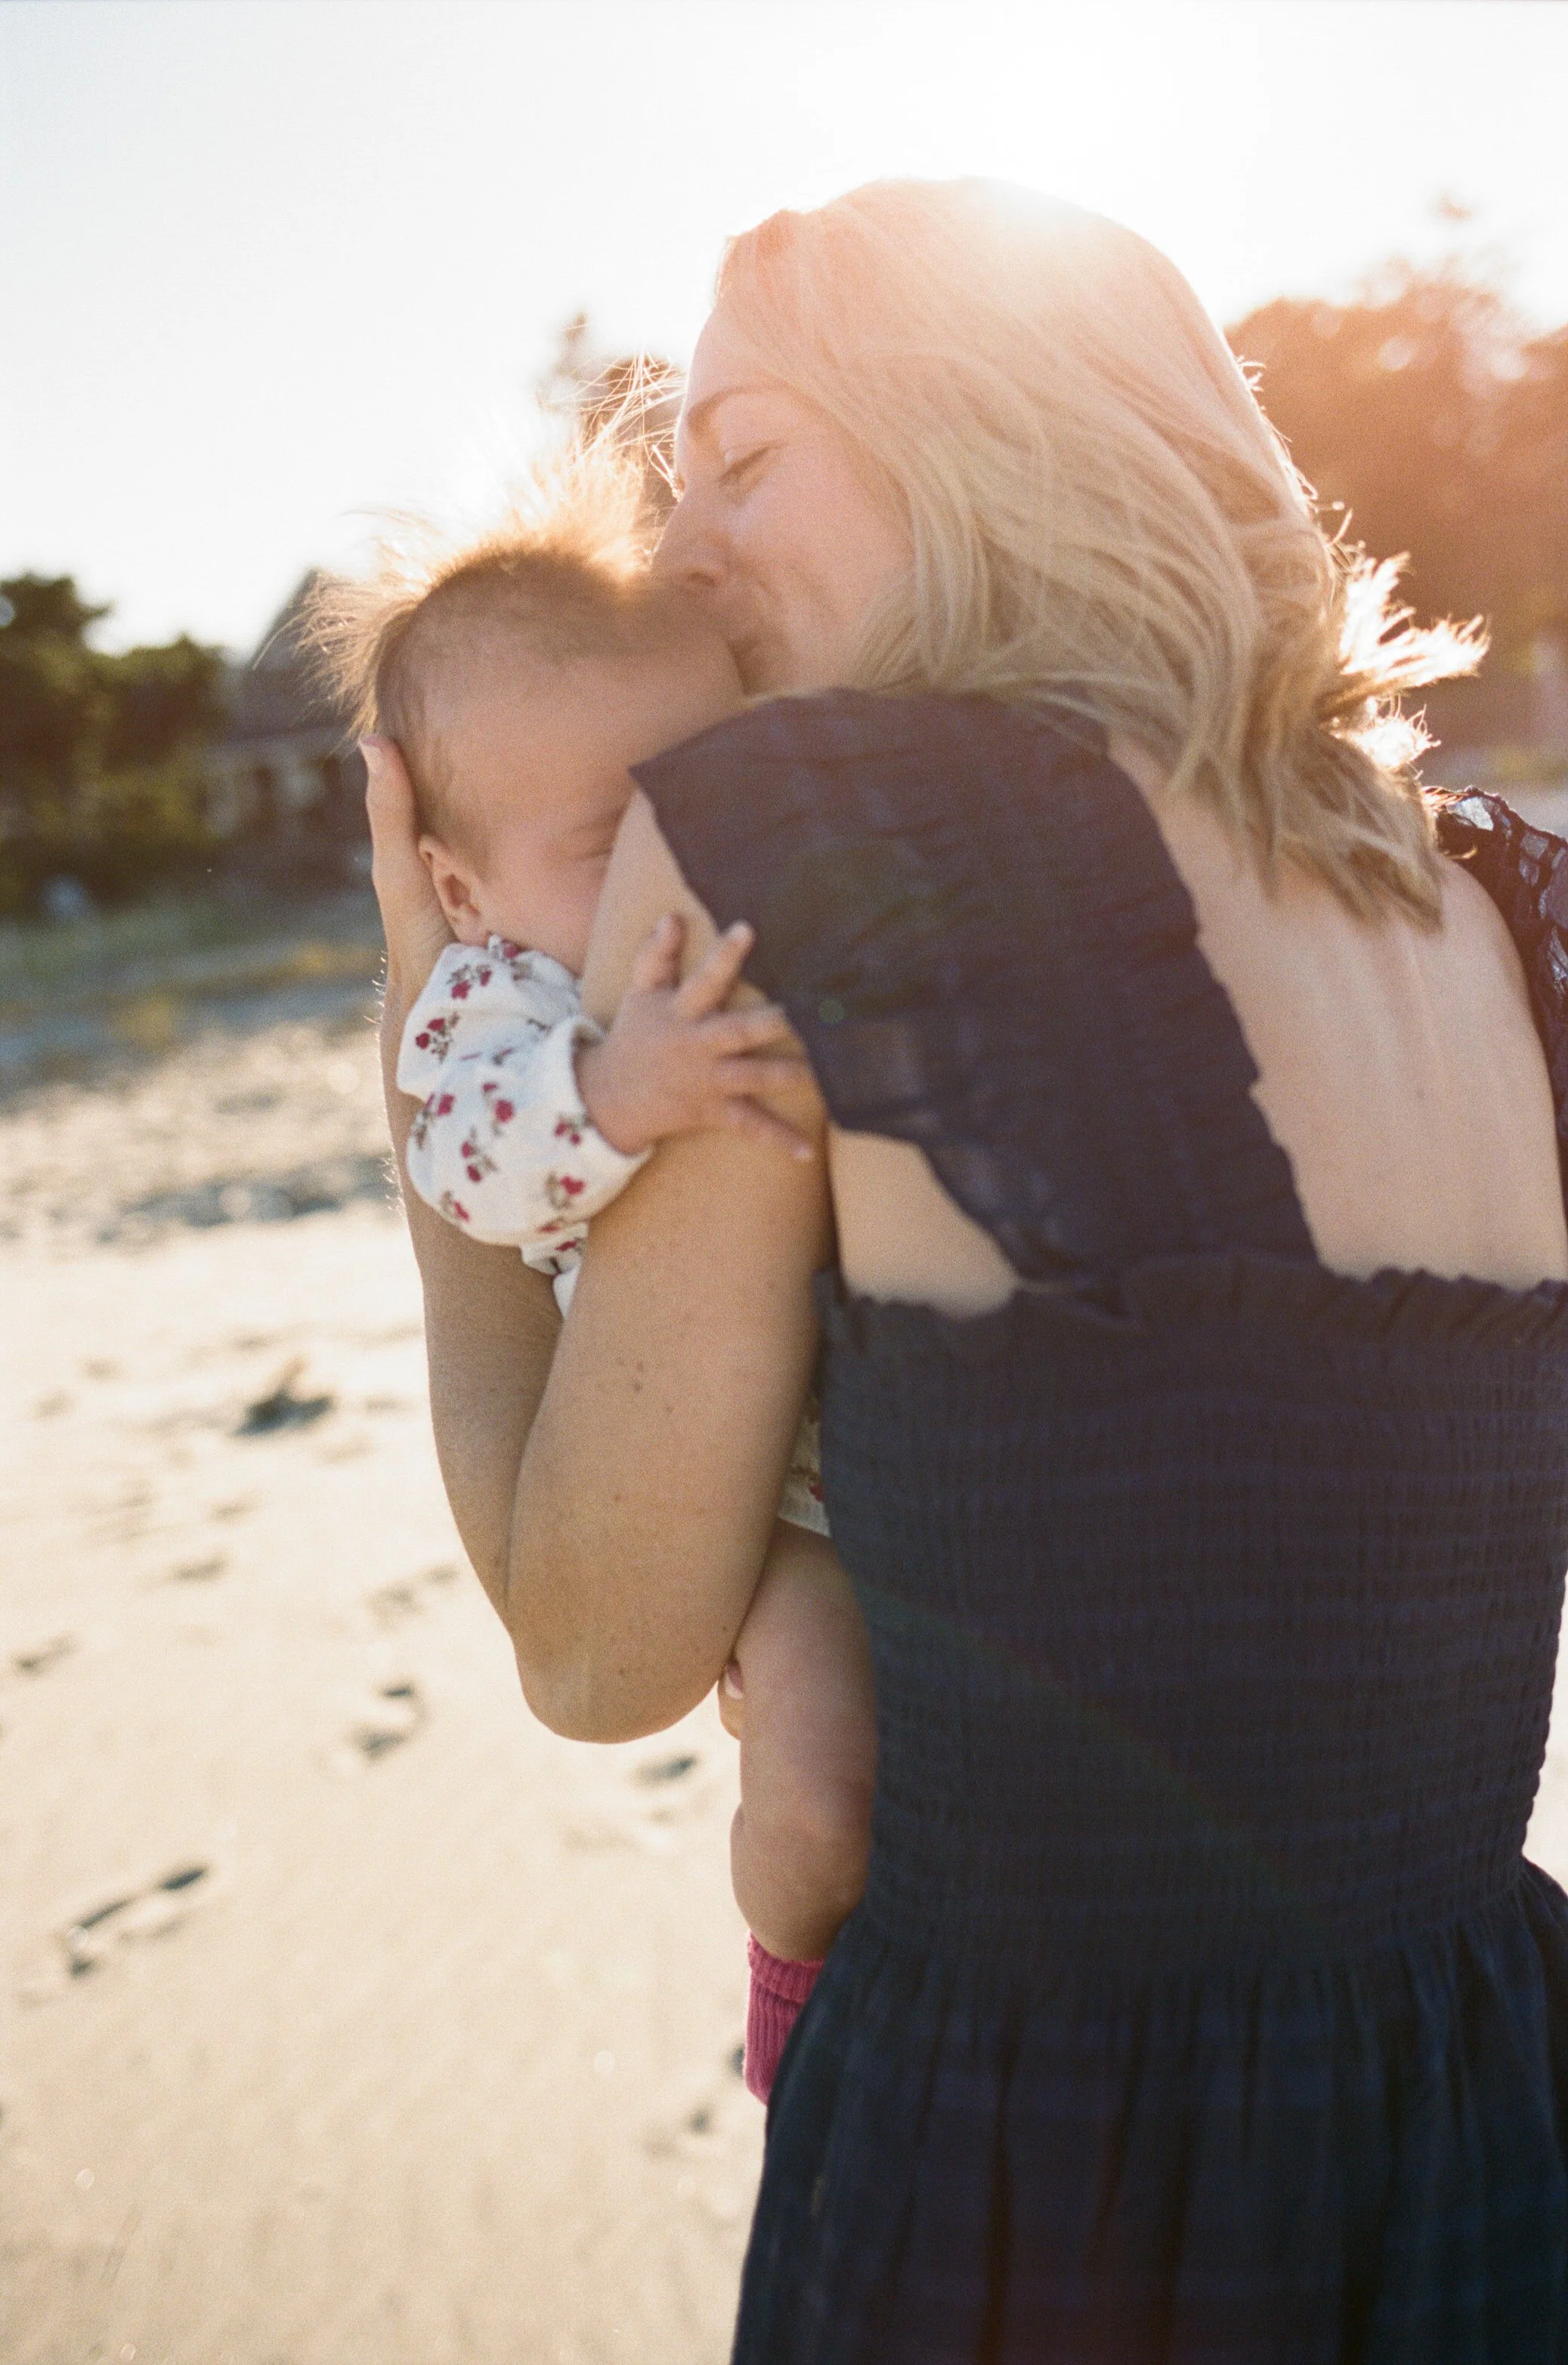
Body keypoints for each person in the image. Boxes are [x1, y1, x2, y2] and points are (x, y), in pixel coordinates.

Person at [370, 178, 1568, 2358]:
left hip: (1031, 2181)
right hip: (1487, 2123)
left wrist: (411, 1024)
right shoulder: (1506, 914)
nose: (688, 551)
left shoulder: (817, 835)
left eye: (748, 456)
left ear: (994, 435)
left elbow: (599, 1645)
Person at [308, 504, 874, 2101]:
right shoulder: (504, 1000)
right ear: (457, 886)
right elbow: (471, 1167)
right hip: (754, 1494)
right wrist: (617, 1092)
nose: (664, 866)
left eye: (703, 788)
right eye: (602, 839)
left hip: (876, 1435)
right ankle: (788, 1992)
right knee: (818, 1768)